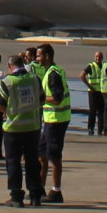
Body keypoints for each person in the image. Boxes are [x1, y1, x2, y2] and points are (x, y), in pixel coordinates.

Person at [0, 53, 44, 207]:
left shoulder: (7, 82)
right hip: (32, 127)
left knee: (13, 162)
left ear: (10, 66)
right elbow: (42, 99)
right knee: (32, 161)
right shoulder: (34, 79)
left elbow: (0, 106)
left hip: (13, 128)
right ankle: (35, 194)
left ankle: (16, 196)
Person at [35, 45, 70, 203]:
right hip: (49, 120)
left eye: (39, 56)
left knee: (54, 156)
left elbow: (57, 98)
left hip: (57, 120)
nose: (37, 59)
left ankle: (56, 190)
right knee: (42, 154)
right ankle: (40, 187)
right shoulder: (51, 71)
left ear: (47, 56)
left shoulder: (53, 74)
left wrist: (39, 99)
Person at [82, 52, 107, 135]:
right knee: (92, 111)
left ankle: (100, 129)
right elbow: (82, 75)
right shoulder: (91, 66)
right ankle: (90, 128)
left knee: (101, 111)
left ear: (102, 57)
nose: (98, 58)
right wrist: (89, 86)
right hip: (92, 92)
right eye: (96, 56)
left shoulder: (104, 66)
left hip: (101, 92)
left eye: (99, 56)